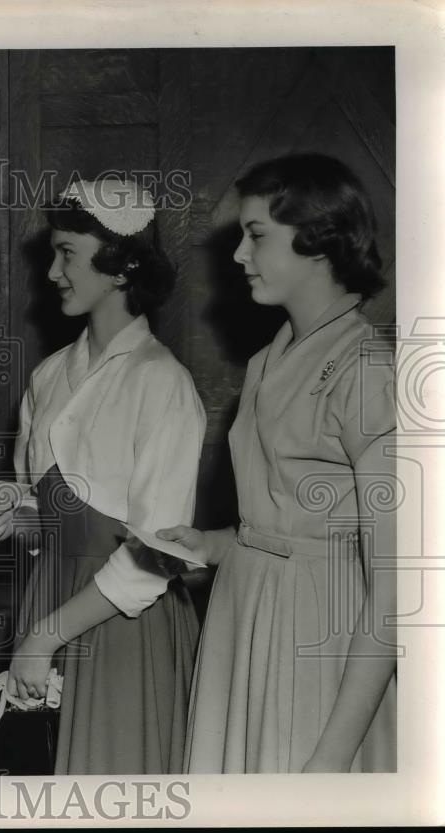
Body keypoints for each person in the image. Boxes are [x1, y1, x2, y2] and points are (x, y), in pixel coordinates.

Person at [158, 153, 397, 773]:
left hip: (322, 639)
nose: (239, 254)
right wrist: (212, 544)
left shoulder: (368, 371)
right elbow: (283, 518)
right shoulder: (267, 360)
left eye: (256, 235)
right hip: (247, 616)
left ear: (320, 240)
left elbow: (398, 594)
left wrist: (333, 755)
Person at [0, 178, 206, 774]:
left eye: (67, 254)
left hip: (122, 628)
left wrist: (44, 638)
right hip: (43, 607)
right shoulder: (49, 376)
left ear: (122, 266)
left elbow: (157, 555)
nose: (52, 272)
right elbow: (42, 519)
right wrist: (12, 519)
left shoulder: (163, 383)